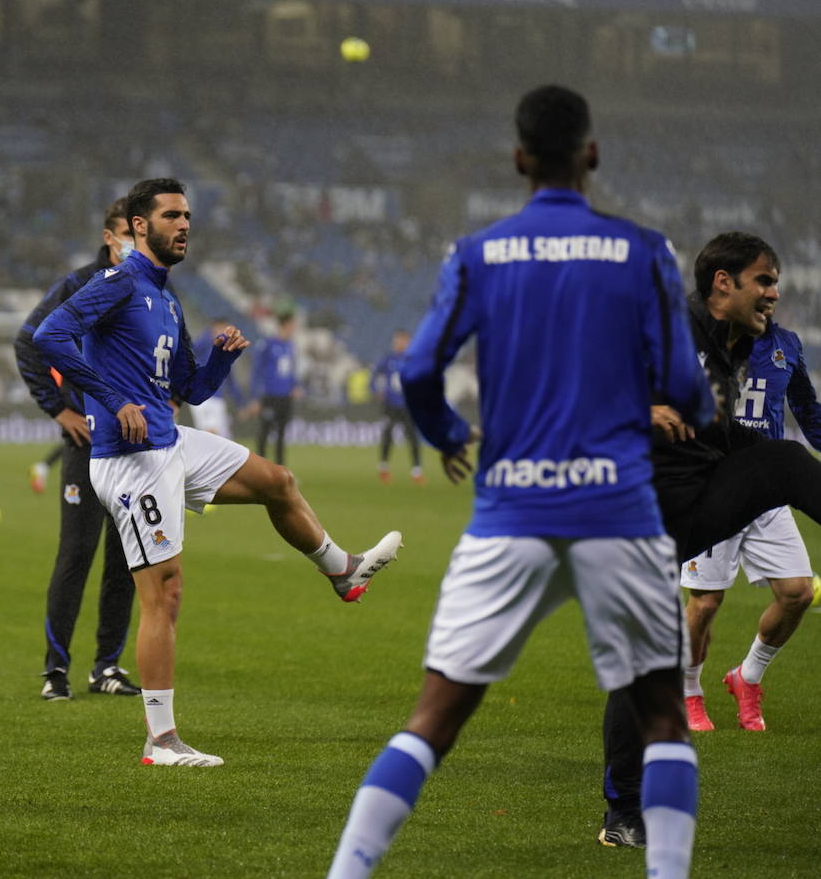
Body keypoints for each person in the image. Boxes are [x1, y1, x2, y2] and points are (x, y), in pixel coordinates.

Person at [328, 85, 714, 879]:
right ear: (592, 154)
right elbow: (684, 380)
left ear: (518, 159)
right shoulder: (643, 251)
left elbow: (418, 369)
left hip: (512, 513)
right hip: (619, 512)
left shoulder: (478, 254)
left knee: (434, 717)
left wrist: (443, 436)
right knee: (663, 718)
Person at [35, 178, 402, 767]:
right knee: (166, 592)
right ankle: (161, 741)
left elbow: (189, 388)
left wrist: (224, 358)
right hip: (129, 461)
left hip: (167, 440)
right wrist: (108, 399)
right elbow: (49, 334)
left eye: (188, 217)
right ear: (138, 226)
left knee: (278, 481)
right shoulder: (119, 282)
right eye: (172, 216)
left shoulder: (168, 299)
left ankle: (343, 571)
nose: (184, 225)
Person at [599, 231, 821, 847]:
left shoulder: (735, 346)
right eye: (764, 280)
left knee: (783, 459)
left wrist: (772, 458)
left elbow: (722, 436)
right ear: (723, 283)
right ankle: (622, 814)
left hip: (698, 497)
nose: (775, 293)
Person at [13, 197, 140, 702]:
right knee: (76, 554)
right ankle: (56, 671)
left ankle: (107, 667)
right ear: (110, 237)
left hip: (134, 448)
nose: (134, 241)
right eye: (127, 233)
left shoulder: (149, 287)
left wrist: (169, 399)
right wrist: (60, 409)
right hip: (86, 445)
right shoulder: (78, 286)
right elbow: (29, 341)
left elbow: (172, 354)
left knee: (127, 559)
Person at [678, 313, 821, 733]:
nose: (770, 294)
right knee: (704, 603)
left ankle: (748, 677)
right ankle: (687, 692)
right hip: (715, 483)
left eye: (774, 283)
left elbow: (807, 410)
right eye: (762, 281)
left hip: (768, 489)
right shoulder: (705, 340)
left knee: (797, 593)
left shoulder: (787, 345)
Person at [245, 309, 299, 465]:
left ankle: (281, 470)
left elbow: (290, 370)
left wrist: (295, 385)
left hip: (285, 396)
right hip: (269, 396)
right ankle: (261, 468)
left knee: (281, 434)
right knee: (265, 432)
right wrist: (255, 397)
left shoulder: (290, 345)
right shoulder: (267, 344)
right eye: (292, 325)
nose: (294, 328)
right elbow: (256, 370)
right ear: (284, 325)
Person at [372, 329, 423, 484]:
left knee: (413, 437)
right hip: (390, 405)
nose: (401, 343)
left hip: (408, 405)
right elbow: (373, 376)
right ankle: (383, 468)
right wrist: (376, 390)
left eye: (404, 340)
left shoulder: (412, 360)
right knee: (388, 435)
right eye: (399, 340)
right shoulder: (388, 359)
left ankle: (416, 471)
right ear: (395, 342)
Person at [186, 318, 245, 439]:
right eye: (224, 330)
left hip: (217, 398)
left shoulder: (224, 352)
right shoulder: (203, 344)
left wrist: (239, 403)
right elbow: (189, 352)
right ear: (214, 329)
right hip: (203, 397)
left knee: (222, 437)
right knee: (211, 435)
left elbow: (230, 379)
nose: (227, 334)